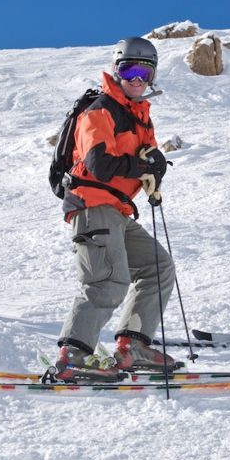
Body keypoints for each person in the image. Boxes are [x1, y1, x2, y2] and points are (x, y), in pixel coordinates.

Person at [55, 37, 175, 381]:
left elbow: (148, 159)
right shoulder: (101, 110)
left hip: (117, 209)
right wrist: (143, 167)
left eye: (144, 73)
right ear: (116, 70)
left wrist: (155, 169)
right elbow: (100, 164)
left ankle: (132, 346)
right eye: (129, 70)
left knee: (158, 267)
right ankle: (73, 355)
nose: (137, 79)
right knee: (108, 280)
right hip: (93, 204)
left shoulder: (140, 117)